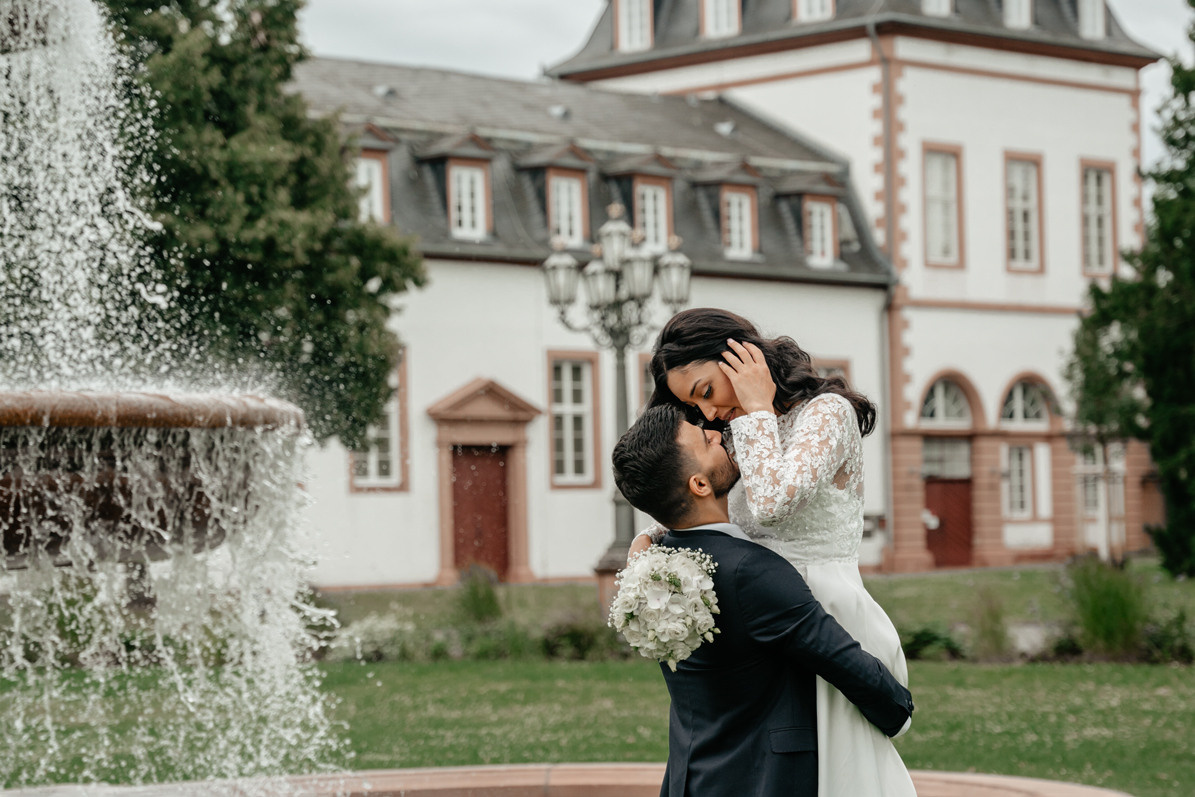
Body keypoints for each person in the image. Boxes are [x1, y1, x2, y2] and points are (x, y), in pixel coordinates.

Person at [631, 307, 916, 796]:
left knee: (840, 773)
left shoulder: (825, 414)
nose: (710, 414)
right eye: (695, 408)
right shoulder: (740, 431)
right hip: (758, 621)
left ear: (740, 356)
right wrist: (652, 539)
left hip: (825, 612)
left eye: (706, 392)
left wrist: (759, 408)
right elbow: (699, 499)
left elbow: (771, 506)